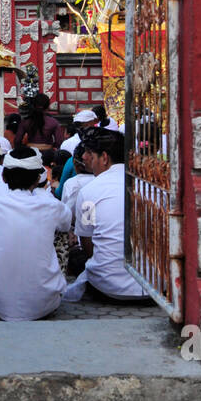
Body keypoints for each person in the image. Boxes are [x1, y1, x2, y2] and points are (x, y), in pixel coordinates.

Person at [0, 147, 72, 321]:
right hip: (45, 304)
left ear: (3, 177)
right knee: (62, 234)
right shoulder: (54, 207)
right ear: (37, 179)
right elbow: (65, 226)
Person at [63, 129, 150, 303]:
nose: (85, 158)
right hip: (153, 287)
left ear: (104, 158)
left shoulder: (88, 192)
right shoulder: (148, 185)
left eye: (90, 154)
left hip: (108, 287)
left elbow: (87, 242)